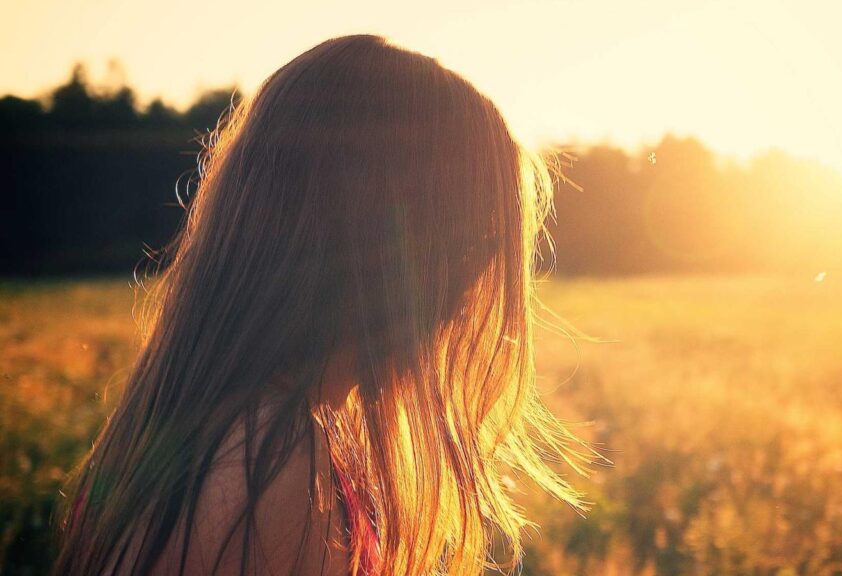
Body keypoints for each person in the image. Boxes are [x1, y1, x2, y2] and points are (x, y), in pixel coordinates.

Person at [54, 34, 592, 576]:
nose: (474, 289)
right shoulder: (269, 466)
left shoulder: (194, 429)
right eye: (477, 243)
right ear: (391, 247)